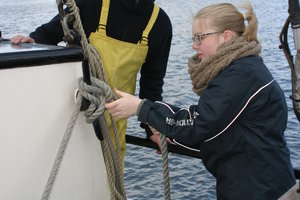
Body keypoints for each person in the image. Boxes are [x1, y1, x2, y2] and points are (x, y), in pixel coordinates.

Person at [105, 0, 297, 199]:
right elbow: (217, 131)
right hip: (257, 185)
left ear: (226, 37)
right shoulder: (244, 68)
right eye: (193, 38)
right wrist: (166, 131)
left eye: (199, 38)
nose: (194, 46)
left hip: (261, 191)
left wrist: (141, 107)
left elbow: (199, 123)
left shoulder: (240, 75)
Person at [11, 0, 172, 163]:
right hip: (75, 119)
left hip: (113, 131)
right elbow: (50, 33)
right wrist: (32, 41)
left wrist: (153, 127)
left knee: (110, 185)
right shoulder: (91, 4)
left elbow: (152, 83)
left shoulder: (160, 24)